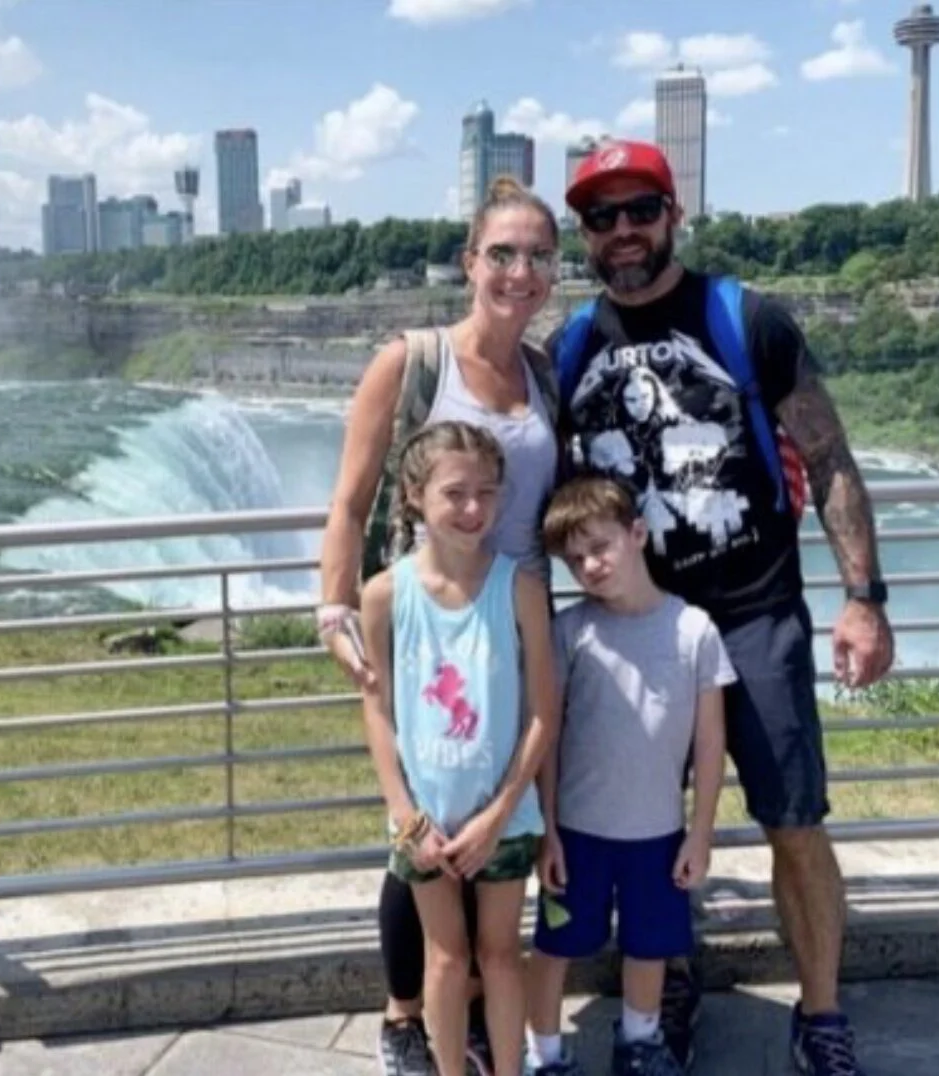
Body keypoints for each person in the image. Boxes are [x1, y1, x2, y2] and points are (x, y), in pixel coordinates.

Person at [550, 140, 895, 1076]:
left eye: (639, 211)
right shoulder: (571, 347)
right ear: (585, 235)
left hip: (754, 616)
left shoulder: (746, 318)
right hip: (634, 625)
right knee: (637, 829)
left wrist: (862, 599)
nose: (622, 232)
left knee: (793, 820)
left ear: (672, 215)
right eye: (600, 217)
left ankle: (820, 1014)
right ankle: (663, 996)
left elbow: (826, 460)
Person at [318, 175, 562, 1076]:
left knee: (509, 825)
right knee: (417, 825)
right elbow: (348, 502)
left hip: (518, 610)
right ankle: (403, 1019)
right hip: (427, 610)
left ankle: (482, 1032)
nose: (519, 271)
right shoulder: (411, 360)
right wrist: (334, 606)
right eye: (501, 253)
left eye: (539, 255)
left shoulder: (544, 369)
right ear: (470, 263)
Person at [358, 420, 559, 1076]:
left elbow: (542, 712)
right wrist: (405, 814)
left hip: (501, 816)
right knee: (444, 957)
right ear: (415, 494)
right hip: (424, 819)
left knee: (500, 955)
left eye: (487, 493)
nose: (473, 509)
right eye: (455, 493)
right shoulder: (385, 595)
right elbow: (379, 709)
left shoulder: (520, 588)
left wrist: (500, 812)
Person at [525, 475, 734, 1076]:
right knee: (554, 945)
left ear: (638, 533)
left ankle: (640, 1042)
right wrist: (549, 830)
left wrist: (701, 833)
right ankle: (544, 1054)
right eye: (575, 558)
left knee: (651, 946)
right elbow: (550, 733)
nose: (590, 565)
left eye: (601, 546)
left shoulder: (695, 630)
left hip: (659, 832)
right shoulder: (570, 630)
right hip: (578, 832)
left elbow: (710, 741)